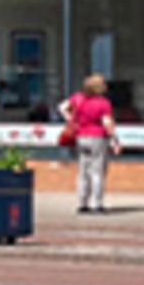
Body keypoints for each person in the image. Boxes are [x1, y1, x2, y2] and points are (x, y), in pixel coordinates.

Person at [59, 73, 119, 213]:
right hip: (98, 137)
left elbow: (62, 107)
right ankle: (96, 204)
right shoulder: (103, 103)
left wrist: (71, 120)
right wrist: (115, 139)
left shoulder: (78, 99)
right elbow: (107, 123)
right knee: (97, 172)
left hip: (81, 136)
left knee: (83, 171)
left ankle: (82, 203)